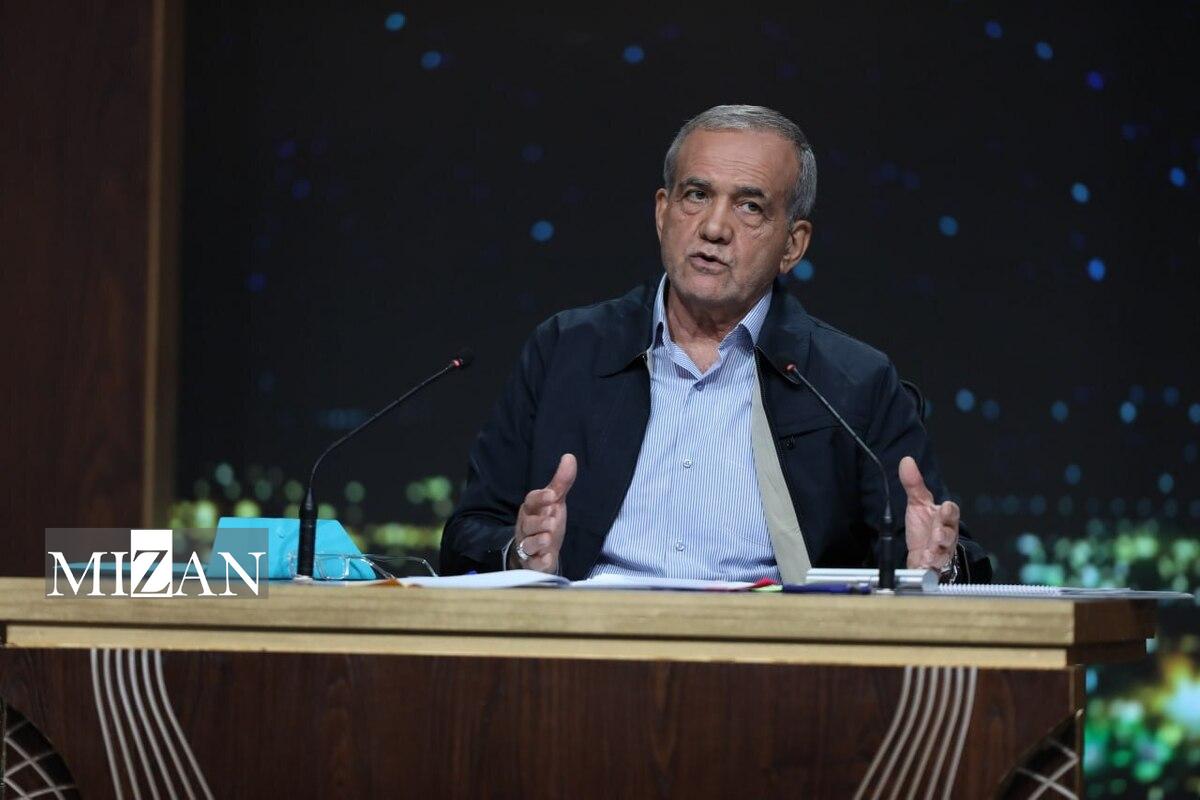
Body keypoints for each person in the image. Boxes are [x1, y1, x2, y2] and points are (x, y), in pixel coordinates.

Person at [440, 104, 991, 584]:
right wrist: (521, 551)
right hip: (591, 641)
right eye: (697, 195)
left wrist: (934, 564)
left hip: (770, 652)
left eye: (750, 206)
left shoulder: (852, 381)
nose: (714, 227)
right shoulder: (565, 350)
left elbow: (951, 553)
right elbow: (469, 531)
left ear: (793, 245)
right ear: (663, 212)